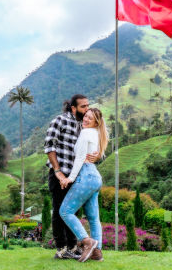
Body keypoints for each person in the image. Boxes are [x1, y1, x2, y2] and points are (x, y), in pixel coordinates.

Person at [44, 94, 98, 260]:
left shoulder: (85, 126)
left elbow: (90, 149)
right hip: (60, 175)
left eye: (88, 106)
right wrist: (58, 171)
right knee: (59, 212)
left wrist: (96, 156)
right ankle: (61, 248)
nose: (87, 109)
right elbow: (49, 146)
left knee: (73, 211)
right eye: (83, 106)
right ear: (73, 108)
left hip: (77, 177)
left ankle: (74, 247)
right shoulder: (60, 121)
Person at [59, 108, 108, 262]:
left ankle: (87, 242)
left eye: (90, 118)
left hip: (86, 174)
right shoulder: (97, 134)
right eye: (86, 116)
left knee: (65, 212)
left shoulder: (86, 133)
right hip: (95, 177)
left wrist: (70, 178)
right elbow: (93, 155)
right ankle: (97, 253)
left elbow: (80, 158)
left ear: (95, 122)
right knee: (93, 218)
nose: (86, 119)